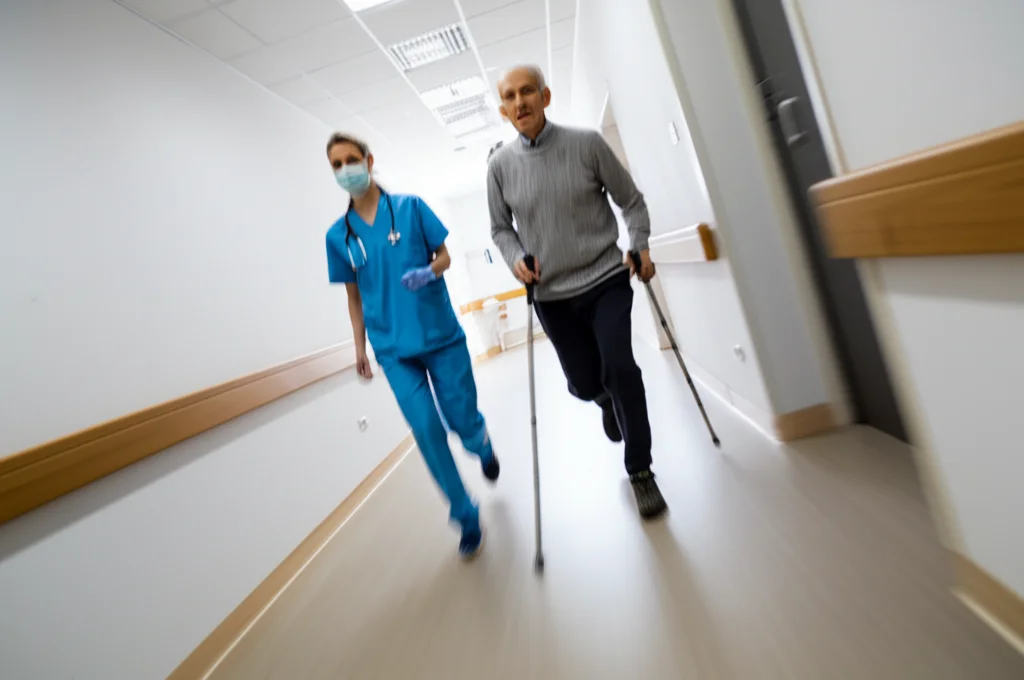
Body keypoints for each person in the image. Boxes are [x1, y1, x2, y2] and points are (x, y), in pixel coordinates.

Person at [486, 65, 667, 520]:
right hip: (552, 297)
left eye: (528, 91)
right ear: (503, 109)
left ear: (545, 96)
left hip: (605, 277)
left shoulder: (586, 144)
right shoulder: (499, 167)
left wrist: (639, 244)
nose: (520, 101)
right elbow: (500, 229)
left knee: (622, 368)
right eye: (510, 96)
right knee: (585, 383)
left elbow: (632, 201)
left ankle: (641, 470)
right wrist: (515, 259)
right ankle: (603, 399)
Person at [324, 132, 499, 558]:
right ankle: (465, 516)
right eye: (336, 164)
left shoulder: (410, 208)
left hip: (439, 335)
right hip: (392, 349)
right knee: (426, 429)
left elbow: (445, 256)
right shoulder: (339, 236)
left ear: (368, 159)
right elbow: (353, 297)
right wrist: (359, 348)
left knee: (459, 417)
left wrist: (429, 272)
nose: (346, 169)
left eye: (351, 159)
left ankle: (480, 442)